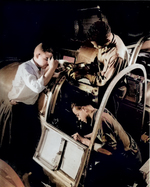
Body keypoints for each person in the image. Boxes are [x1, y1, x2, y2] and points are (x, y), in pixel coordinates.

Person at [7, 42, 59, 186]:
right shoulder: (25, 68)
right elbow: (36, 87)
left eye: (50, 59)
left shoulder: (41, 67)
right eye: (47, 59)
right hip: (19, 107)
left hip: (30, 107)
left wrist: (54, 73)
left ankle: (33, 172)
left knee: (36, 138)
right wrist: (52, 68)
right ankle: (22, 174)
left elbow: (44, 77)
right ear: (37, 55)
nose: (48, 62)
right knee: (22, 142)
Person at [71, 101, 145, 187]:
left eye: (78, 115)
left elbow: (109, 152)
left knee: (96, 177)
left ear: (84, 109)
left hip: (129, 159)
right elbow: (100, 133)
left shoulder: (100, 119)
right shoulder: (99, 112)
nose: (79, 118)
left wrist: (84, 141)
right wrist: (84, 137)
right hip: (130, 152)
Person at [69, 20, 129, 87]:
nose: (95, 47)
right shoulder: (108, 38)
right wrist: (80, 67)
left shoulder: (117, 55)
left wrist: (83, 76)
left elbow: (102, 82)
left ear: (106, 42)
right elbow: (97, 64)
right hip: (102, 76)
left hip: (112, 90)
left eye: (96, 45)